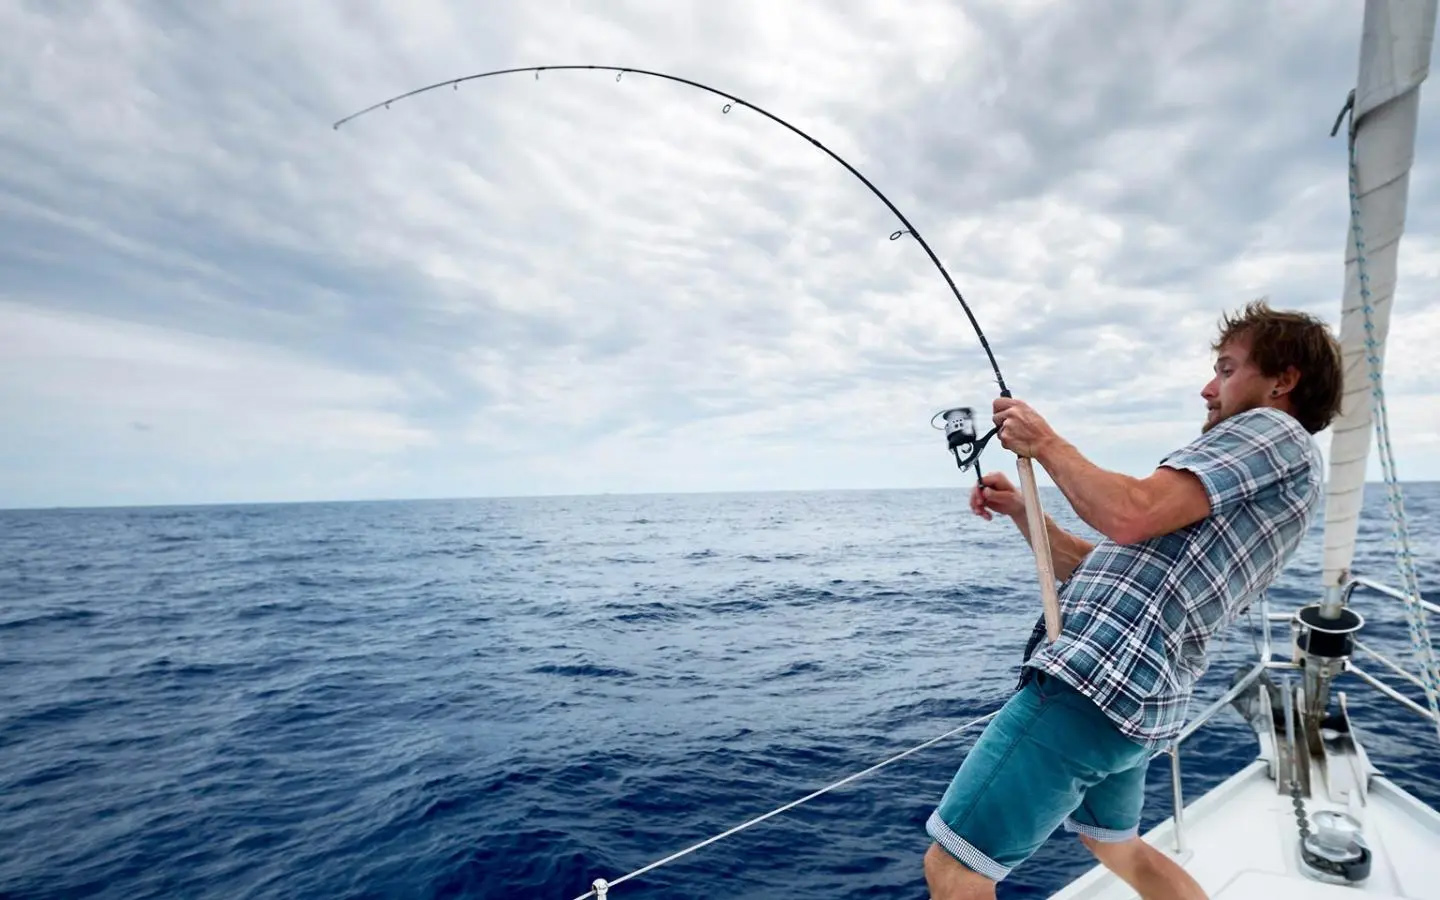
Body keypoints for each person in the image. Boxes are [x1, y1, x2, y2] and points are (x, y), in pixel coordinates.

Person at [922, 300, 1344, 900]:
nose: (1208, 387)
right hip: (1139, 705)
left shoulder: (1273, 432)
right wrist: (1024, 510)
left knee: (954, 869)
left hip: (1092, 689)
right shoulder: (1276, 470)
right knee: (1116, 846)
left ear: (1283, 381)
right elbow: (1103, 566)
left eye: (1226, 369)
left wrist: (1044, 441)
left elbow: (1130, 514)